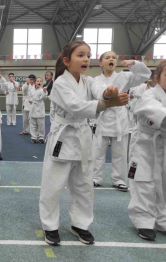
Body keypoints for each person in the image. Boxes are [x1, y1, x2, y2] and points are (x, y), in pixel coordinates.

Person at [39, 41, 129, 246]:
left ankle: (80, 223)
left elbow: (100, 90)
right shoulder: (61, 82)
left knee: (84, 185)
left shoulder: (88, 82)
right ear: (66, 61)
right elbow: (76, 106)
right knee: (53, 185)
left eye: (88, 55)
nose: (86, 59)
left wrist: (109, 94)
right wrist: (108, 104)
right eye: (80, 55)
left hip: (83, 137)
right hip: (63, 137)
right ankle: (50, 225)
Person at [91, 51, 151, 191]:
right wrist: (108, 94)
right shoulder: (95, 80)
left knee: (120, 153)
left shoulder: (125, 77)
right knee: (97, 152)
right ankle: (95, 177)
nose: (111, 59)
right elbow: (97, 93)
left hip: (120, 120)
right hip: (102, 119)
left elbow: (145, 75)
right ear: (101, 63)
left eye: (113, 57)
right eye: (107, 57)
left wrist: (134, 64)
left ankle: (119, 179)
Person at [127, 60, 166, 241]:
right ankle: (143, 219)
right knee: (143, 179)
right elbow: (153, 109)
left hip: (163, 145)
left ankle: (162, 218)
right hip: (144, 143)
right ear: (157, 78)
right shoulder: (149, 95)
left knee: (163, 181)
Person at [29, 77, 47, 143]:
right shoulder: (31, 90)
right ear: (35, 82)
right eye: (37, 81)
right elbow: (30, 97)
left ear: (42, 83)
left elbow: (44, 97)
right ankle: (33, 137)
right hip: (33, 107)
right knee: (33, 124)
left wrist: (44, 92)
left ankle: (41, 137)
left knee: (41, 124)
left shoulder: (43, 90)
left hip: (40, 108)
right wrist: (30, 100)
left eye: (40, 81)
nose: (39, 82)